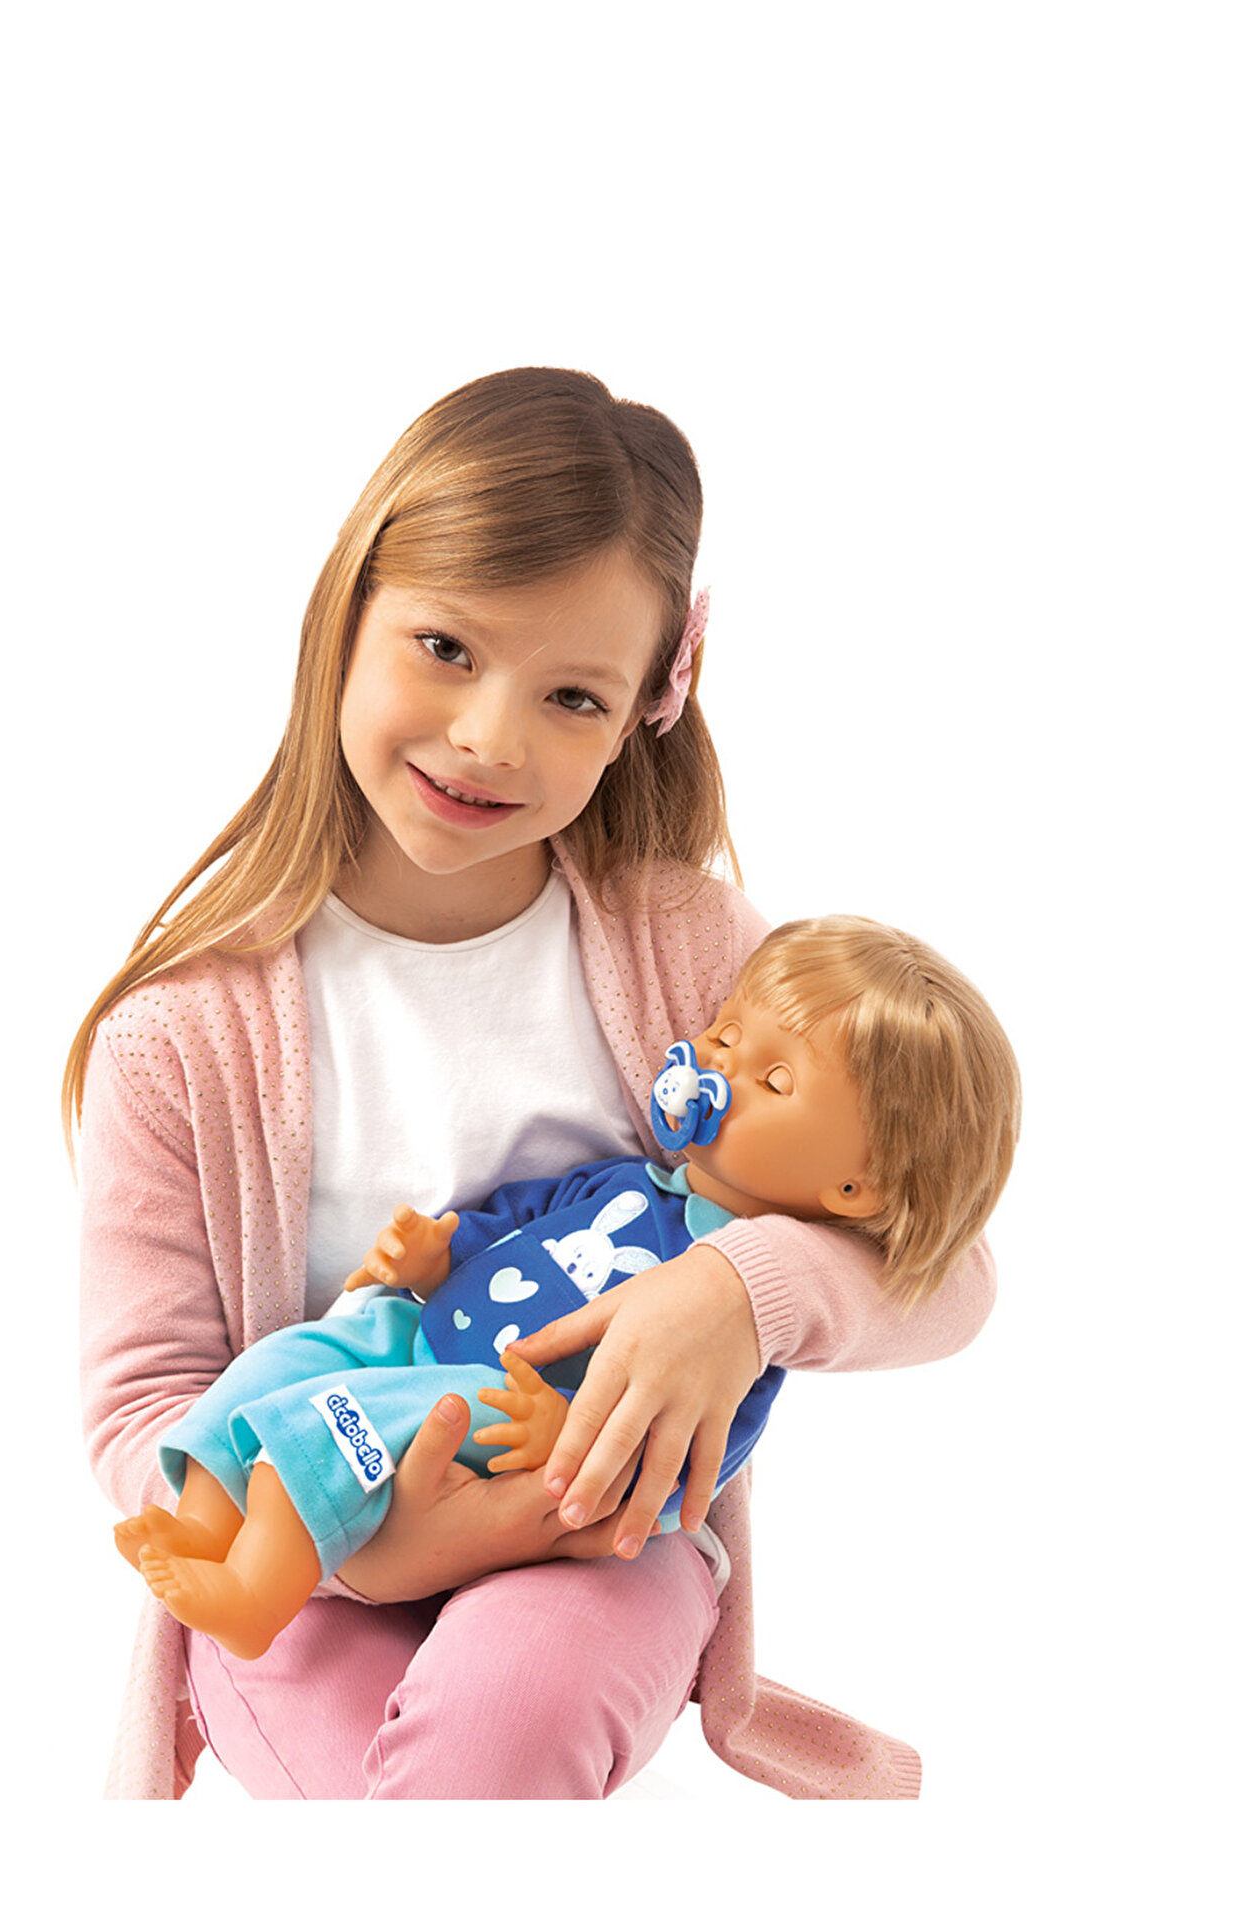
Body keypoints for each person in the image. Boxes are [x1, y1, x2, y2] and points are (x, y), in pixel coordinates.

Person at [68, 366, 999, 1801]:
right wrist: (381, 1549)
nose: (492, 737)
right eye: (446, 646)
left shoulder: (695, 957)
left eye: (571, 694)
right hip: (300, 1542)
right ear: (346, 615)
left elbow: (952, 1272)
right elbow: (144, 1411)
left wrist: (738, 1291)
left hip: (596, 1530)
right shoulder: (182, 1040)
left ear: (644, 709)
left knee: (506, 1719)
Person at [112, 917, 1019, 1665]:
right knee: (282, 1362)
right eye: (726, 1035)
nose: (719, 1070)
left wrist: (569, 1446)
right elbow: (514, 1222)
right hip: (417, 1327)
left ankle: (254, 1593)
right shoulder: (625, 1180)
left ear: (856, 1188)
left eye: (774, 1079)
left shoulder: (744, 1329)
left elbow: (690, 1468)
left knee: (328, 1422)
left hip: (497, 1407)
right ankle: (204, 1526)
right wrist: (435, 1255)